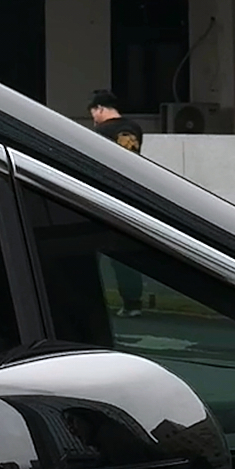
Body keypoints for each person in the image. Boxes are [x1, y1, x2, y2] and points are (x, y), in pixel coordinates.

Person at [88, 93, 145, 317]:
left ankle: (91, 303)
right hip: (130, 196)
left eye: (93, 112)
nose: (93, 117)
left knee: (91, 250)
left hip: (106, 196)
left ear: (100, 108)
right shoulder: (135, 129)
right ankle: (133, 303)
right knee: (127, 254)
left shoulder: (100, 133)